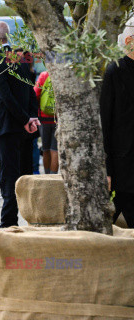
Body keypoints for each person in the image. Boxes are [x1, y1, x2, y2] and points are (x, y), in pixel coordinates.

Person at [0, 21, 39, 228]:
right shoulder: (20, 58)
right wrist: (31, 118)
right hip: (24, 128)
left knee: (8, 174)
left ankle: (8, 220)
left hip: (7, 127)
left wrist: (26, 119)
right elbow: (31, 92)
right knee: (24, 174)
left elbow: (5, 97)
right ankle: (32, 218)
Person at [100, 17, 134, 228]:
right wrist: (107, 168)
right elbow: (105, 121)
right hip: (122, 163)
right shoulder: (114, 71)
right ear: (129, 40)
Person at [34, 71, 58, 174]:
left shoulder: (44, 75)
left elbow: (35, 93)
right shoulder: (65, 74)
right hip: (58, 118)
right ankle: (53, 177)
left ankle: (47, 176)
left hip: (44, 118)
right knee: (55, 150)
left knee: (46, 149)